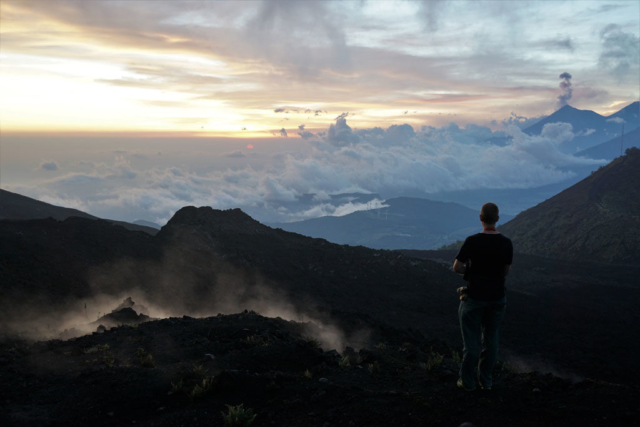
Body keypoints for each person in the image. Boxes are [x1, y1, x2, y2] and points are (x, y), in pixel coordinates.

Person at [452, 202, 513, 391]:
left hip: (474, 298)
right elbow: (505, 271)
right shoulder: (506, 243)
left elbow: (457, 267)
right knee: (491, 340)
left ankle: (467, 382)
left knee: (470, 342)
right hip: (496, 298)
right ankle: (485, 381)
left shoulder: (472, 241)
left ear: (480, 218)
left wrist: (470, 270)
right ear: (497, 219)